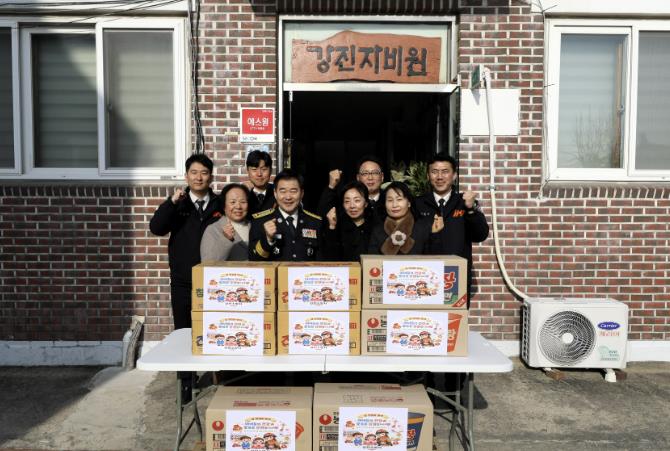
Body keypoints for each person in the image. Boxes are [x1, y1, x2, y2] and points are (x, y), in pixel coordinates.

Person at [149, 153, 223, 403]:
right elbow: (156, 228)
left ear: (211, 177)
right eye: (194, 172)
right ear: (186, 176)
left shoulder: (220, 203)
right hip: (183, 279)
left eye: (204, 172)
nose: (199, 177)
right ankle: (186, 382)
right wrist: (171, 203)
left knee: (216, 328)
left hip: (214, 282)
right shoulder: (178, 204)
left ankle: (219, 375)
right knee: (184, 331)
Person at [415, 152, 489, 299]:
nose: (439, 177)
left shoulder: (464, 202)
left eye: (445, 171)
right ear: (428, 176)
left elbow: (480, 235)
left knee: (455, 314)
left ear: (454, 175)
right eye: (434, 172)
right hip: (425, 276)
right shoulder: (418, 203)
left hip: (456, 276)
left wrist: (471, 209)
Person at [248, 169, 322, 261]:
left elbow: (323, 261)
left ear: (302, 194)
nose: (288, 197)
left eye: (293, 191)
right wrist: (267, 240)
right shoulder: (260, 221)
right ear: (275, 193)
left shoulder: (314, 222)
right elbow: (253, 259)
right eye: (283, 191)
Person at [367, 181, 444, 255]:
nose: (394, 205)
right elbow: (371, 260)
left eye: (399, 199)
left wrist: (435, 235)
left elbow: (435, 259)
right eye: (390, 200)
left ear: (409, 203)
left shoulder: (423, 228)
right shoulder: (377, 230)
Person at [317, 155, 386, 222]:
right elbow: (323, 214)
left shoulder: (389, 199)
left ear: (382, 177)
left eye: (375, 173)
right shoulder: (347, 201)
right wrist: (331, 186)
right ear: (358, 178)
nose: (370, 178)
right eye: (365, 173)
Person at [322, 181, 375, 261]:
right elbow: (330, 258)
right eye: (347, 201)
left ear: (366, 203)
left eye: (357, 200)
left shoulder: (375, 227)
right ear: (343, 205)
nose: (352, 206)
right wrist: (332, 227)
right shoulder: (337, 226)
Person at [200, 183, 251, 261]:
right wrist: (227, 240)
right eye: (233, 202)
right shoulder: (213, 230)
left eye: (243, 202)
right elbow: (208, 262)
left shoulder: (255, 226)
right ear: (224, 206)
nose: (238, 206)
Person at [245, 150, 275, 215]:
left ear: (271, 171)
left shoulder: (278, 192)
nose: (259, 174)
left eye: (264, 169)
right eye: (254, 169)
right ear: (247, 171)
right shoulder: (243, 195)